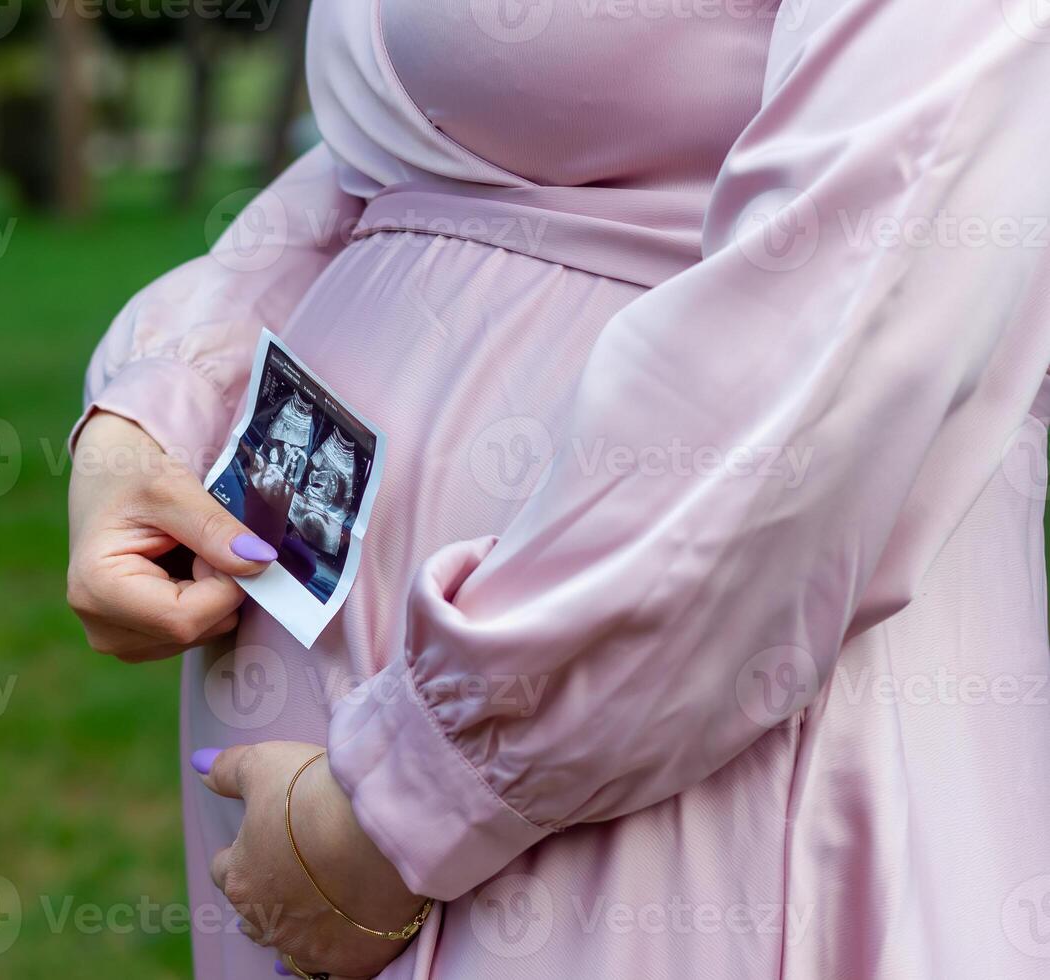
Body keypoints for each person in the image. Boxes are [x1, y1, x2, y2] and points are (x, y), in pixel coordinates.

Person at [66, 1, 1050, 976]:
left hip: (651, 738)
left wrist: (413, 792)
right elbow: (385, 160)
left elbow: (875, 271)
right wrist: (164, 395)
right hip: (355, 758)